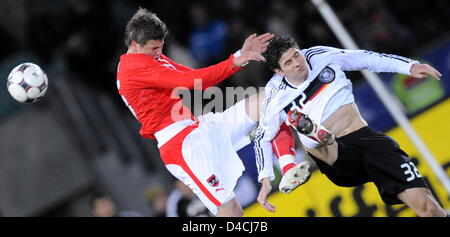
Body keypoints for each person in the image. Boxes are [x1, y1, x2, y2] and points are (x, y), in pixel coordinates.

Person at [254, 35, 448, 217]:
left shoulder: (320, 56)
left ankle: (315, 132)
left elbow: (365, 58)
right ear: (278, 71)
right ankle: (316, 133)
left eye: (297, 55)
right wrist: (265, 180)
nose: (297, 63)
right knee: (318, 141)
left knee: (430, 209)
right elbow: (263, 137)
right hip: (336, 159)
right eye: (288, 62)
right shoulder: (276, 96)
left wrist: (410, 67)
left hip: (366, 140)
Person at [116, 8, 273, 217]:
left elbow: (190, 75)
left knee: (266, 101)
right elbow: (189, 82)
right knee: (230, 210)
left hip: (197, 127)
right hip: (183, 147)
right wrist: (236, 61)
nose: (158, 53)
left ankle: (307, 138)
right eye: (154, 48)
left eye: (160, 47)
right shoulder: (133, 69)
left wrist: (239, 56)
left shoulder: (149, 57)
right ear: (135, 44)